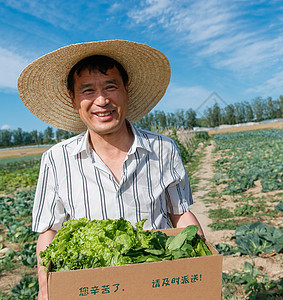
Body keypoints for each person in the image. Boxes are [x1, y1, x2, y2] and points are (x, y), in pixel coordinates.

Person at [17, 40, 204, 300]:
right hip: (94, 288)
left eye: (111, 86)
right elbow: (50, 231)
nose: (102, 100)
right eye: (88, 91)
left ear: (126, 90)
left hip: (157, 283)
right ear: (73, 99)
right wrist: (46, 287)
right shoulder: (56, 159)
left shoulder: (164, 149)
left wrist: (201, 260)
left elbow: (180, 213)